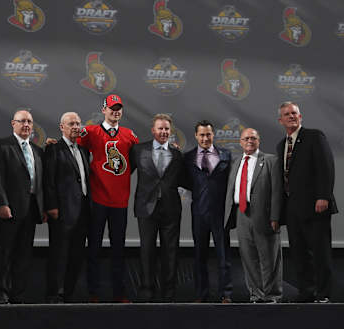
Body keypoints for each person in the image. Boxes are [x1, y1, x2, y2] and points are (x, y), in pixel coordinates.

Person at [78, 94, 139, 302]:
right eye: (112, 108)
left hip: (120, 201)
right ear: (103, 109)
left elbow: (141, 159)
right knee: (93, 248)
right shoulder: (91, 131)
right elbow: (70, 145)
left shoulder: (129, 135)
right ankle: (93, 292)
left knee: (118, 250)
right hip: (97, 199)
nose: (116, 111)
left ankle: (118, 293)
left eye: (119, 108)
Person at [277, 101, 338, 303]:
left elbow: (326, 167)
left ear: (300, 117)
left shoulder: (314, 136)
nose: (291, 116)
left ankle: (323, 294)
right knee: (299, 254)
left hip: (315, 206)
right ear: (281, 120)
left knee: (320, 253)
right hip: (293, 210)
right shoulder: (281, 145)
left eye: (294, 113)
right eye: (287, 114)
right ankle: (307, 291)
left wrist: (324, 196)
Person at [0, 110, 45, 304]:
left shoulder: (38, 150)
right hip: (9, 208)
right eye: (22, 121)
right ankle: (1, 293)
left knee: (24, 254)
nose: (26, 125)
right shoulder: (2, 145)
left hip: (31, 209)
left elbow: (40, 183)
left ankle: (18, 293)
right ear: (13, 123)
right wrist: (2, 203)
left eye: (29, 121)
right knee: (4, 252)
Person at [130, 114, 185, 302]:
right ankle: (147, 290)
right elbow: (121, 171)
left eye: (167, 129)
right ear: (153, 130)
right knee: (147, 250)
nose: (164, 132)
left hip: (171, 208)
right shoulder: (137, 150)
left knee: (171, 250)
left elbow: (185, 178)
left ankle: (169, 291)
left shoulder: (178, 154)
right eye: (160, 128)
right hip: (146, 208)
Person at [224, 128, 283, 303]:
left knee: (269, 258)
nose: (249, 141)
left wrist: (275, 217)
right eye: (246, 138)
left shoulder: (271, 160)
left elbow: (277, 192)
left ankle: (272, 295)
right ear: (240, 142)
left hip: (264, 216)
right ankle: (256, 294)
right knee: (249, 257)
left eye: (253, 138)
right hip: (241, 214)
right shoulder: (235, 162)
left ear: (259, 141)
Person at [183, 120, 233, 303]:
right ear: (196, 136)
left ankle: (225, 294)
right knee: (199, 256)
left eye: (208, 134)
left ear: (214, 135)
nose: (205, 138)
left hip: (220, 214)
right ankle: (201, 294)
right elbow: (183, 180)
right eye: (202, 135)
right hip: (199, 214)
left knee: (224, 256)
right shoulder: (187, 158)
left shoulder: (226, 155)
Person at [44, 112, 91, 303]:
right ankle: (54, 294)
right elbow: (48, 181)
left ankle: (69, 293)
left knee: (76, 255)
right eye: (71, 123)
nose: (76, 127)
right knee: (59, 254)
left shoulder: (84, 151)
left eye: (78, 123)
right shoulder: (53, 149)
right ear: (61, 127)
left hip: (83, 212)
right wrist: (52, 206)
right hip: (62, 212)